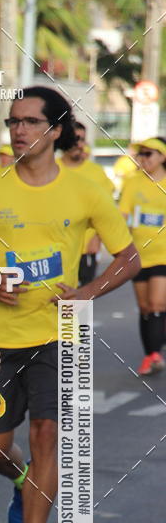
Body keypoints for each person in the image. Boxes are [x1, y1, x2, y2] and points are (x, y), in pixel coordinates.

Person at [0, 86, 140, 523]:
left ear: (55, 130)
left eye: (30, 122)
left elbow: (129, 257)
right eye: (13, 122)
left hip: (59, 334)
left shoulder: (85, 189)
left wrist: (87, 293)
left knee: (47, 434)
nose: (19, 131)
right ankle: (21, 481)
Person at [119, 138, 166, 374]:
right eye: (141, 154)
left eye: (149, 154)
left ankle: (156, 352)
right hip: (138, 255)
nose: (144, 159)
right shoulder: (132, 183)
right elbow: (123, 215)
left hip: (163, 255)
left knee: (157, 303)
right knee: (146, 307)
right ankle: (150, 354)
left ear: (162, 156)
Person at [58, 121, 114, 286]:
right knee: (54, 299)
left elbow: (107, 211)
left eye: (82, 139)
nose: (78, 144)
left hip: (85, 248)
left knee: (80, 301)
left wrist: (97, 237)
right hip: (55, 249)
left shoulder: (96, 173)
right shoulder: (51, 169)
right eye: (74, 139)